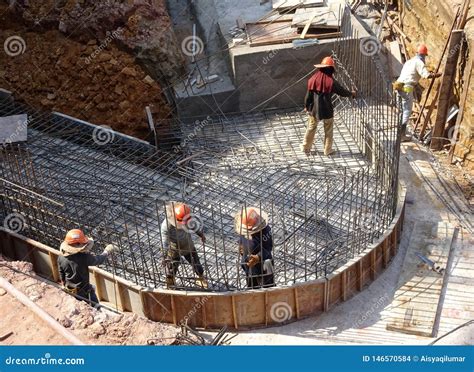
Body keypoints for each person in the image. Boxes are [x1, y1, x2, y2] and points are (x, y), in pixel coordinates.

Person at [302, 56, 356, 156]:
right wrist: (351, 93)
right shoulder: (332, 82)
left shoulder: (313, 79)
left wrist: (306, 106)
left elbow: (308, 95)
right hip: (327, 110)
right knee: (328, 130)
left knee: (311, 128)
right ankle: (327, 150)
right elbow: (342, 92)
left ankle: (305, 147)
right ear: (331, 69)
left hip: (314, 110)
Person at [58, 229, 118, 306]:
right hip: (84, 290)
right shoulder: (83, 257)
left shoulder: (61, 256)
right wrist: (106, 251)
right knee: (96, 307)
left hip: (69, 288)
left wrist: (63, 284)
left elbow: (61, 273)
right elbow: (98, 260)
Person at [394, 44, 441, 141]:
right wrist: (437, 75)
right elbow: (426, 75)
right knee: (407, 110)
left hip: (398, 85)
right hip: (407, 87)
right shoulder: (419, 62)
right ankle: (401, 136)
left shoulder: (409, 62)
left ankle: (400, 132)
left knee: (402, 110)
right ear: (424, 55)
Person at [161, 202, 208, 289]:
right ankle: (170, 281)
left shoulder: (186, 217)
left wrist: (201, 234)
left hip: (187, 244)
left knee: (196, 262)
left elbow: (194, 226)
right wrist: (164, 256)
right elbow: (165, 242)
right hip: (174, 248)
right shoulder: (166, 226)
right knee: (172, 266)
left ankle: (201, 278)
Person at [235, 206, 274, 289]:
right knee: (252, 282)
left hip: (265, 262)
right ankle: (253, 292)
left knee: (268, 282)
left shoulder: (265, 232)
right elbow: (242, 238)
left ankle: (270, 292)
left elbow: (268, 247)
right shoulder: (244, 229)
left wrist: (258, 257)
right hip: (249, 261)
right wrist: (241, 245)